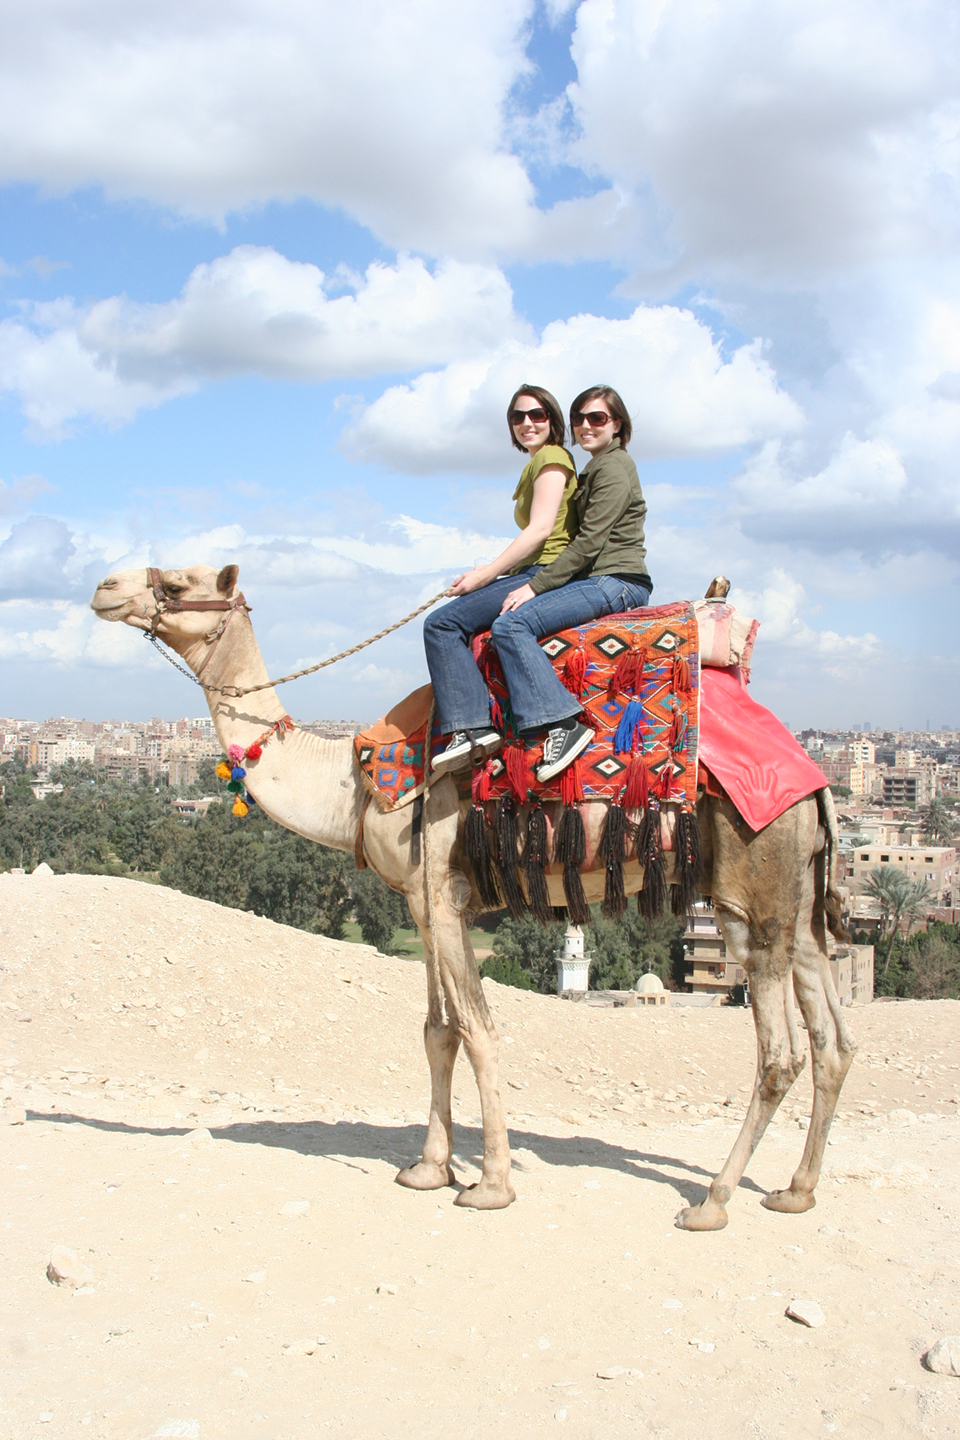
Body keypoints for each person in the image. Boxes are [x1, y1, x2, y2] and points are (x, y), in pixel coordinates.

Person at [426, 384, 652, 783]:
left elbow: (585, 540)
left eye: (597, 418)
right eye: (580, 417)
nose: (586, 425)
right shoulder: (595, 467)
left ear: (617, 424)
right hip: (599, 576)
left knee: (509, 624)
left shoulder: (611, 466)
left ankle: (560, 724)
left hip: (615, 580)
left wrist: (530, 584)